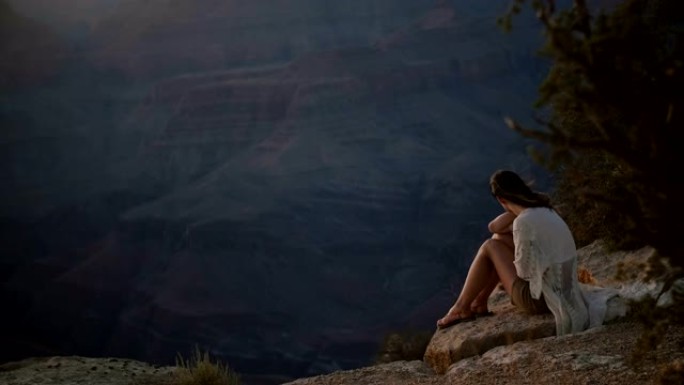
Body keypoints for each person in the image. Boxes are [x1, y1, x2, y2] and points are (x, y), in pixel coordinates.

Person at [436, 169, 590, 336]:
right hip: (564, 291)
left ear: (501, 200)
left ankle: (460, 308)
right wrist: (515, 210)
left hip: (538, 300)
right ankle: (479, 303)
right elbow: (494, 228)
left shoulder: (523, 221)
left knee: (490, 246)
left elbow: (524, 273)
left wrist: (504, 271)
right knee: (497, 238)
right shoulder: (545, 210)